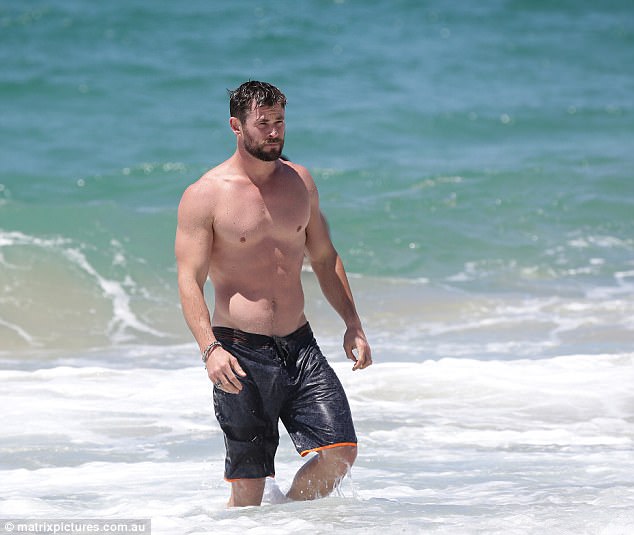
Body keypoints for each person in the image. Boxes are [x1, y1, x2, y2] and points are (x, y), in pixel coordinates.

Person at [175, 80, 372, 507]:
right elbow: (189, 279)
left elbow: (324, 257)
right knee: (249, 488)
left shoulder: (301, 182)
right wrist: (210, 349)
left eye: (279, 121)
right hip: (239, 353)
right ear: (236, 126)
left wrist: (352, 323)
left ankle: (286, 519)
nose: (274, 132)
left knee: (340, 452)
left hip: (299, 346)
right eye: (262, 123)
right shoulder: (205, 195)